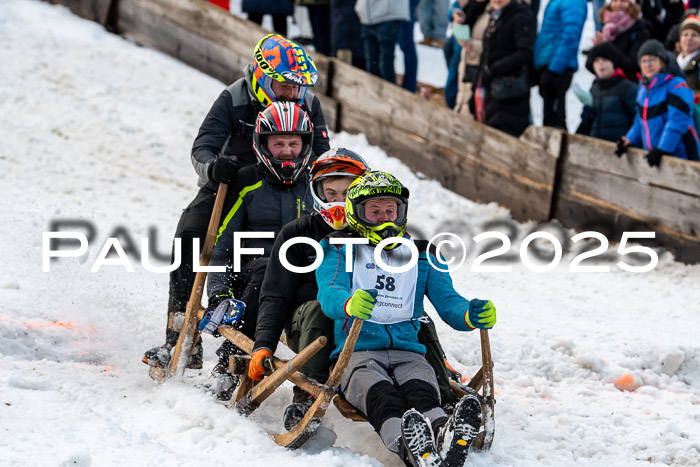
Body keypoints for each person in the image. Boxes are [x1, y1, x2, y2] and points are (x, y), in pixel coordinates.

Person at [141, 34, 330, 371]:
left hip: (285, 184)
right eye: (281, 85)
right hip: (228, 185)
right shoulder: (234, 97)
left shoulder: (309, 104)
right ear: (260, 77)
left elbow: (320, 154)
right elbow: (203, 146)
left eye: (296, 87)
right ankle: (179, 337)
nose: (290, 93)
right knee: (189, 237)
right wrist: (215, 168)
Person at [315, 171, 497, 467]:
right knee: (383, 397)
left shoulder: (422, 253)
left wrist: (469, 313)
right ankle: (411, 448)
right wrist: (348, 303)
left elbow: (447, 300)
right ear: (357, 214)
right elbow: (328, 291)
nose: (385, 218)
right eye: (374, 211)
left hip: (408, 350)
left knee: (422, 392)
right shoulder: (338, 248)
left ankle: (443, 435)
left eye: (391, 210)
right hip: (358, 352)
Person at [202, 101, 317, 400]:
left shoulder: (316, 189)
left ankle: (309, 386)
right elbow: (220, 247)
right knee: (268, 268)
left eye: (294, 143)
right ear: (263, 146)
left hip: (299, 278)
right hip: (251, 276)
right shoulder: (246, 183)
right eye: (279, 144)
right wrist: (219, 293)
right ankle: (229, 364)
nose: (288, 151)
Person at [248, 148, 370, 429]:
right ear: (319, 194)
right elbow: (275, 294)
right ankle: (306, 394)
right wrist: (263, 345)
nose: (339, 201)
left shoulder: (375, 232)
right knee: (319, 308)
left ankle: (435, 387)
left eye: (348, 192)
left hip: (362, 325)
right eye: (331, 193)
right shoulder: (296, 233)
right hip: (307, 328)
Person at [616, 39, 700, 166]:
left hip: (682, 154)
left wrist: (663, 148)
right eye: (644, 61)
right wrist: (629, 139)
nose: (648, 64)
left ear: (662, 62)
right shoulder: (643, 88)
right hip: (656, 155)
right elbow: (640, 120)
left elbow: (678, 120)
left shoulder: (676, 85)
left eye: (653, 59)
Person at [469, 0, 535, 137]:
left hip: (509, 91)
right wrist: (475, 86)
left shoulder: (520, 16)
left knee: (505, 136)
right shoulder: (495, 16)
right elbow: (486, 54)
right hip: (489, 91)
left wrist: (495, 69)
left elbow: (525, 53)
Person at [534, 0, 587, 129]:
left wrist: (554, 70)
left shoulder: (573, 2)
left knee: (555, 121)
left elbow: (571, 37)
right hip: (549, 63)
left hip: (558, 67)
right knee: (549, 118)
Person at [576, 43, 638, 142]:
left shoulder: (628, 88)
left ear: (613, 62)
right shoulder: (593, 90)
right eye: (596, 61)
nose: (600, 64)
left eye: (605, 60)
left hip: (619, 147)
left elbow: (637, 120)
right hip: (595, 148)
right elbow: (587, 124)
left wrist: (629, 140)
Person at [592, 0, 653, 82]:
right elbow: (590, 65)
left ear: (631, 4)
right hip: (603, 84)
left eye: (623, 1)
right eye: (614, 1)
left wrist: (607, 47)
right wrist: (597, 49)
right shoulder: (606, 27)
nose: (618, 4)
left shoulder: (640, 29)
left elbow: (633, 66)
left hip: (628, 86)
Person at [355, 0, 411, 84]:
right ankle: (373, 95)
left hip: (387, 15)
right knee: (371, 66)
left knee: (385, 66)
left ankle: (391, 95)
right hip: (366, 16)